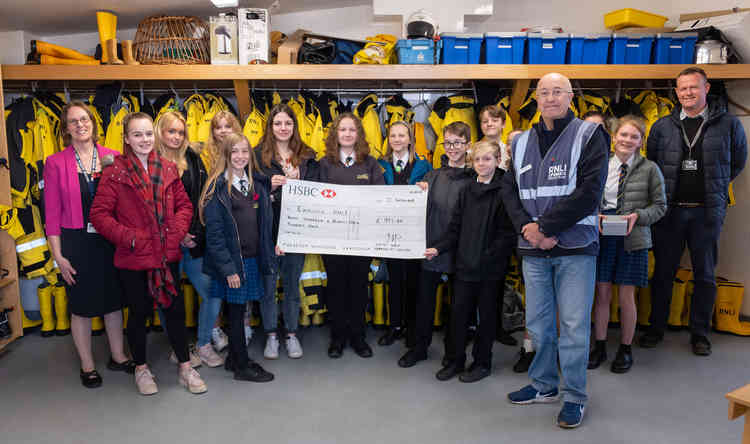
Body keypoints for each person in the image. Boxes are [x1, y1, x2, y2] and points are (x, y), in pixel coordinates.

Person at [502, 73, 609, 428]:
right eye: (544, 92)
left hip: (575, 247)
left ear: (570, 96)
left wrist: (546, 228)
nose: (550, 98)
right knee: (538, 325)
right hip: (533, 249)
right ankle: (544, 385)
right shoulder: (518, 143)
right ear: (536, 98)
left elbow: (590, 192)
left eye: (557, 92)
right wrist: (528, 229)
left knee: (575, 326)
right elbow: (509, 192)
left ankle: (575, 396)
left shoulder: (589, 135)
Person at [90, 112, 207, 396]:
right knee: (138, 313)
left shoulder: (167, 168)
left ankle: (184, 367)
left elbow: (184, 207)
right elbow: (100, 215)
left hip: (166, 255)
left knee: (174, 311)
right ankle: (141, 368)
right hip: (133, 258)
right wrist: (129, 238)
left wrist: (176, 233)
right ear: (127, 139)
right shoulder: (114, 173)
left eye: (147, 134)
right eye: (137, 134)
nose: (144, 139)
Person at [642, 67, 747, 356]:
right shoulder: (662, 126)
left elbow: (738, 161)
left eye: (693, 87)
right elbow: (652, 163)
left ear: (706, 88)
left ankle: (700, 334)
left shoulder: (728, 124)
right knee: (662, 273)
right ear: (676, 92)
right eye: (682, 88)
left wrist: (715, 185)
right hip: (669, 212)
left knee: (705, 275)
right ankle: (656, 328)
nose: (688, 92)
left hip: (707, 212)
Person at [44, 102, 132, 389]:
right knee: (81, 306)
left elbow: (126, 204)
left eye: (84, 119)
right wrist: (58, 255)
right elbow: (52, 214)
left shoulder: (113, 156)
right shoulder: (55, 163)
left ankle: (118, 356)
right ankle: (87, 365)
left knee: (113, 301)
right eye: (73, 121)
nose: (80, 125)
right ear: (66, 128)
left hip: (109, 240)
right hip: (76, 242)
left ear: (93, 123)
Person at [425, 140, 516, 383]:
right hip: (464, 265)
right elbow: (455, 228)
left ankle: (482, 363)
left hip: (490, 269)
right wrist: (438, 247)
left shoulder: (505, 190)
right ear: (471, 162)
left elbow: (507, 233)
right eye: (477, 159)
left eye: (487, 159)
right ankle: (455, 360)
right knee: (458, 315)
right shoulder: (467, 190)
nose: (482, 164)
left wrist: (487, 257)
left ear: (497, 160)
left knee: (486, 318)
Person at [589, 116, 666, 373]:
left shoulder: (650, 169)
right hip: (602, 236)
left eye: (634, 136)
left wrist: (638, 217)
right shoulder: (601, 166)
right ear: (613, 138)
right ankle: (599, 346)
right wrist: (595, 216)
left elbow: (660, 206)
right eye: (623, 135)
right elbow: (588, 199)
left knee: (626, 296)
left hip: (634, 238)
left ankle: (625, 348)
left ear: (641, 141)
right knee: (601, 294)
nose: (627, 140)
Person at [200, 132, 276, 382]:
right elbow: (215, 236)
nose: (241, 156)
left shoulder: (256, 183)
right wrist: (229, 269)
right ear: (226, 155)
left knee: (241, 309)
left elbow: (264, 221)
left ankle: (234, 357)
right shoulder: (218, 187)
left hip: (252, 259)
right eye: (235, 152)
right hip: (234, 263)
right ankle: (242, 366)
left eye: (245, 151)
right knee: (234, 311)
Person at [399, 122, 474, 369]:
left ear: (468, 145)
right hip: (431, 247)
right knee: (424, 302)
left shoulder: (475, 178)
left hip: (461, 249)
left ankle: (453, 354)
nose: (452, 148)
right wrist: (417, 191)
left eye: (458, 143)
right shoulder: (432, 175)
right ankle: (419, 348)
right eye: (448, 142)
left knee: (458, 306)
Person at [154, 111, 221, 367]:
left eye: (181, 132)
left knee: (213, 291)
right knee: (168, 298)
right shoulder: (150, 162)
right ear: (161, 132)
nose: (176, 136)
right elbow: (151, 206)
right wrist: (177, 233)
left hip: (193, 241)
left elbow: (201, 198)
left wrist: (192, 233)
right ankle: (178, 348)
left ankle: (203, 344)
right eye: (171, 131)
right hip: (164, 244)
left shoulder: (192, 158)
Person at [255, 103, 319, 360]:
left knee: (292, 286)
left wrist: (300, 178)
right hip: (267, 232)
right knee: (268, 286)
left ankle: (291, 334)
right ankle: (271, 334)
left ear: (295, 126)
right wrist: (268, 188)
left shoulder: (308, 155)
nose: (283, 128)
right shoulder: (258, 155)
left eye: (288, 123)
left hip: (297, 230)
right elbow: (248, 191)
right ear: (271, 127)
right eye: (278, 123)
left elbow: (321, 191)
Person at [319, 113, 385, 359]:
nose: (347, 134)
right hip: (333, 239)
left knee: (358, 288)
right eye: (342, 130)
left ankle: (358, 337)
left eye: (352, 130)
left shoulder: (370, 163)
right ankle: (337, 337)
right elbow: (314, 199)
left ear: (359, 135)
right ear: (335, 134)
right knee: (336, 288)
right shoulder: (324, 164)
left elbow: (380, 197)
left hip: (362, 239)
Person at [376, 121, 431, 347]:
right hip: (389, 233)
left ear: (410, 139)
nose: (397, 139)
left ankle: (411, 328)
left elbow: (432, 196)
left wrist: (428, 188)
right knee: (394, 280)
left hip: (415, 234)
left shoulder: (424, 165)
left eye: (402, 135)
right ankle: (394, 326)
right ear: (388, 139)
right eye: (393, 136)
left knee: (413, 282)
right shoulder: (380, 164)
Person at [199, 111, 244, 353]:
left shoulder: (242, 153)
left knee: (241, 283)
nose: (223, 130)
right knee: (216, 284)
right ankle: (215, 329)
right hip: (214, 228)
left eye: (228, 126)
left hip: (239, 229)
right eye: (218, 127)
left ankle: (242, 326)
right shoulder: (203, 157)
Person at [479, 105, 511, 171]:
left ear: (503, 124)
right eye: (485, 121)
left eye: (494, 120)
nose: (489, 124)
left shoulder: (509, 153)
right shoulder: (471, 152)